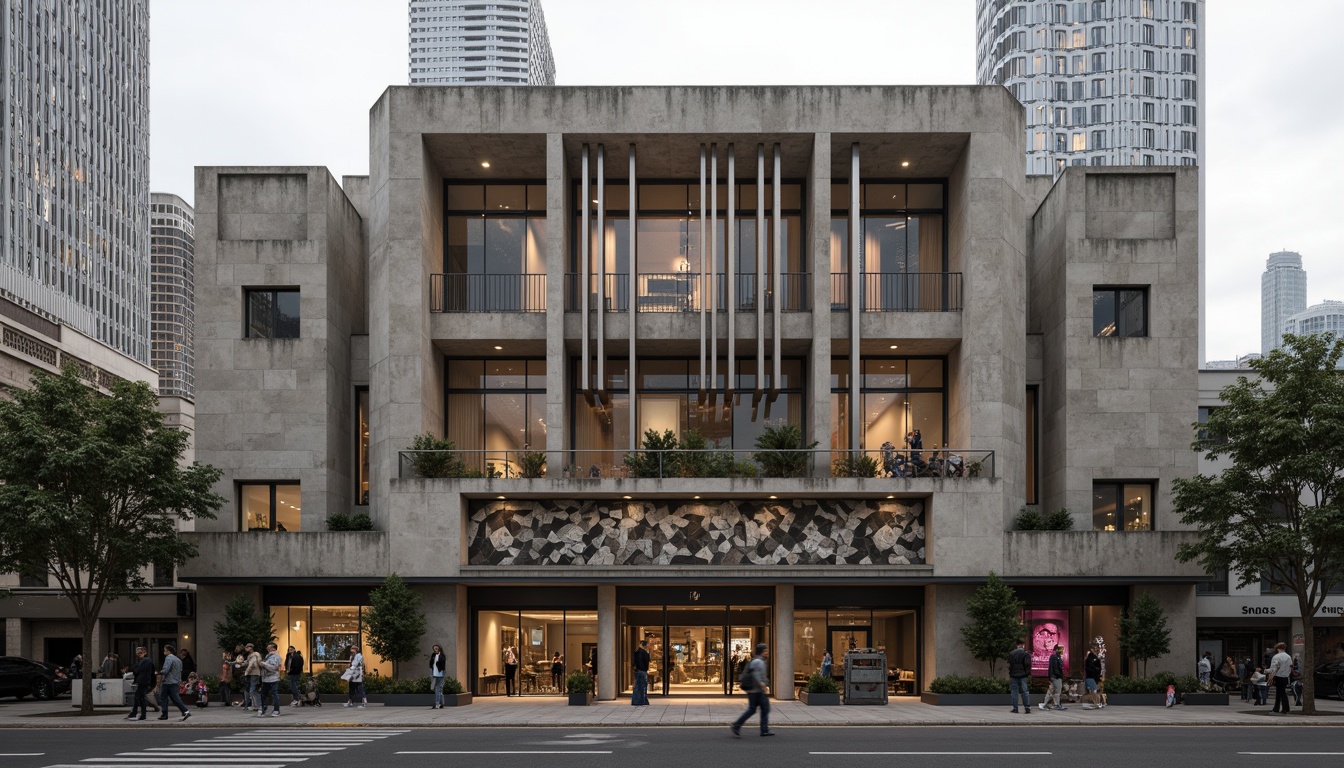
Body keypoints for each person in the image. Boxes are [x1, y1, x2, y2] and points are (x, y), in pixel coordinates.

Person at [730, 643, 773, 737]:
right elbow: (756, 675)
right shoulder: (758, 662)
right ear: (761, 652)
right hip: (756, 691)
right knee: (764, 708)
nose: (767, 653)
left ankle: (737, 725)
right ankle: (763, 730)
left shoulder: (757, 661)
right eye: (765, 651)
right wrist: (762, 685)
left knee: (753, 709)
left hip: (754, 691)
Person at [157, 644, 191, 721]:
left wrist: (158, 673)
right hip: (176, 681)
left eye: (165, 650)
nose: (164, 652)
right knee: (175, 698)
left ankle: (165, 714)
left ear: (168, 651)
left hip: (168, 681)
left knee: (164, 698)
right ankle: (185, 711)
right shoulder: (178, 660)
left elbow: (165, 670)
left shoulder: (168, 658)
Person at [126, 646, 154, 721]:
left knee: (139, 697)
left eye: (140, 652)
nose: (138, 654)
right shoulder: (142, 661)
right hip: (143, 681)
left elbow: (137, 670)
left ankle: (137, 713)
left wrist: (135, 668)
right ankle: (137, 713)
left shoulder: (146, 660)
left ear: (144, 652)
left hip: (144, 682)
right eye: (137, 653)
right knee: (140, 698)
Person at [1007, 638, 1032, 714]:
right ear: (1022, 645)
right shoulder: (1025, 653)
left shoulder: (1012, 653)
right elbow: (1028, 664)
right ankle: (1027, 707)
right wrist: (1027, 673)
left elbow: (1010, 665)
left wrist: (1011, 673)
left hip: (1014, 675)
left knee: (1014, 691)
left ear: (1017, 645)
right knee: (1025, 691)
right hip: (1023, 675)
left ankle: (1015, 708)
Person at [257, 643, 282, 717]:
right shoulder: (268, 656)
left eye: (269, 647)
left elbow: (273, 667)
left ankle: (276, 710)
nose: (267, 648)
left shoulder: (276, 657)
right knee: (263, 694)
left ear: (273, 648)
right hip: (265, 679)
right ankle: (263, 708)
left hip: (273, 678)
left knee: (274, 694)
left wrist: (263, 664)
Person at [1268, 642, 1292, 714]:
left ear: (1278, 649)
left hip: (1278, 676)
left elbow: (1273, 668)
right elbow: (1290, 667)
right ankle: (1284, 708)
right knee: (1282, 692)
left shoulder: (1276, 657)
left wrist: (1268, 673)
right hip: (1285, 676)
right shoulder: (1288, 657)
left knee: (1280, 692)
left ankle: (1278, 708)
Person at [1041, 644, 1067, 710]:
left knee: (1051, 690)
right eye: (1060, 649)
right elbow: (1055, 668)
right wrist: (1060, 675)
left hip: (1054, 676)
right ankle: (1056, 704)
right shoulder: (1055, 657)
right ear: (1056, 650)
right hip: (1056, 677)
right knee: (1057, 690)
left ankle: (1045, 703)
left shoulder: (1055, 656)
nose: (1062, 651)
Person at [242, 643, 263, 711]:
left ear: (251, 647)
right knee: (251, 690)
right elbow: (247, 663)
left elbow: (252, 664)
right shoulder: (249, 656)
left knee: (252, 690)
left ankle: (259, 705)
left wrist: (246, 672)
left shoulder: (256, 654)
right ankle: (254, 705)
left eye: (247, 647)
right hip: (250, 674)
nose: (246, 648)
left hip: (255, 673)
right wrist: (239, 663)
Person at [632, 639, 651, 706]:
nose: (648, 646)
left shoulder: (637, 652)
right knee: (642, 686)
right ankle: (641, 700)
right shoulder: (643, 653)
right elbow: (644, 663)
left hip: (638, 671)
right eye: (647, 645)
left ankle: (638, 700)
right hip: (642, 671)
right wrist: (644, 669)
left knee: (638, 686)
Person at [430, 644, 447, 709]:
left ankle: (437, 704)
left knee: (438, 689)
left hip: (440, 674)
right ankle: (442, 703)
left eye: (436, 648)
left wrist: (438, 657)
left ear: (439, 649)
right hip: (434, 674)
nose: (435, 650)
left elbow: (442, 663)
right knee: (438, 689)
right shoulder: (433, 655)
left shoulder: (442, 656)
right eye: (434, 649)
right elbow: (431, 663)